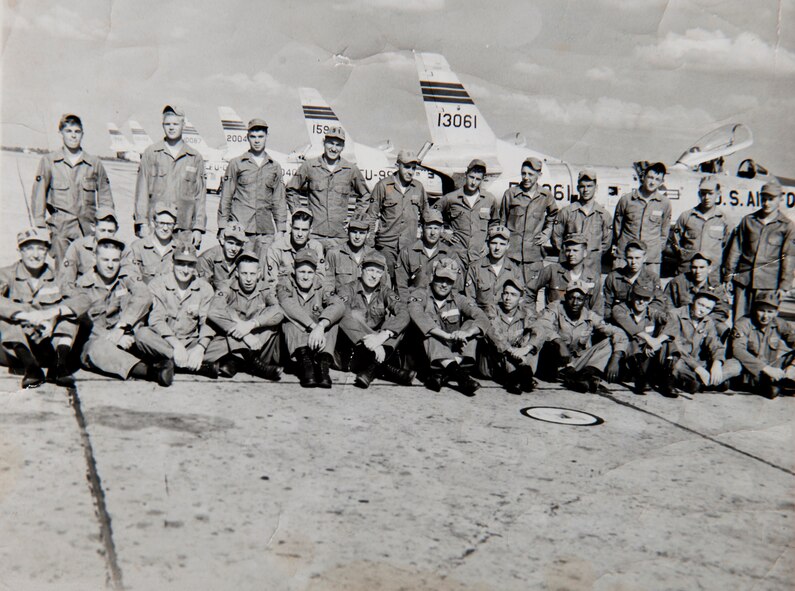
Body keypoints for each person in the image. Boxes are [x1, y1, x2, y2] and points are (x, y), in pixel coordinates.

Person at [68, 237, 171, 385]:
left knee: (145, 334)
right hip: (97, 342)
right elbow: (85, 323)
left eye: (115, 260)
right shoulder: (82, 286)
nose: (110, 266)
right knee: (98, 349)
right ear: (94, 258)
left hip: (126, 335)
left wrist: (122, 327)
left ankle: (188, 364)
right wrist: (113, 337)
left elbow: (144, 296)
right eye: (105, 260)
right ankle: (152, 372)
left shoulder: (125, 278)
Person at [0, 228, 84, 388]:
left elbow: (83, 299)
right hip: (14, 350)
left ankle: (58, 366)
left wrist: (53, 315)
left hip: (46, 346)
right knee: (5, 317)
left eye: (41, 248)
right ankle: (31, 370)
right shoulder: (6, 274)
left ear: (47, 250)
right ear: (20, 251)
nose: (35, 254)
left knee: (70, 313)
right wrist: (26, 315)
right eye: (29, 248)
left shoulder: (57, 276)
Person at [30, 114, 115, 268]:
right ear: (60, 133)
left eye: (77, 131)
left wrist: (107, 226)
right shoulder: (49, 162)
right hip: (61, 229)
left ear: (82, 134)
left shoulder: (94, 164)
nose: (73, 135)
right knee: (63, 271)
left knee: (89, 269)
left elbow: (105, 197)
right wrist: (40, 225)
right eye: (68, 131)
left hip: (87, 229)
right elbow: (38, 195)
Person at [134, 243, 219, 380]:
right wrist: (177, 347)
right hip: (164, 342)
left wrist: (200, 348)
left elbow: (206, 322)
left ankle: (172, 362)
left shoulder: (205, 288)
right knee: (142, 335)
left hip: (192, 342)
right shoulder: (157, 284)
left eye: (190, 265)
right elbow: (156, 320)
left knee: (226, 342)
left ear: (195, 266)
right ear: (173, 263)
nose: (185, 270)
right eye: (180, 263)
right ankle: (194, 366)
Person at [407, 257, 489, 395]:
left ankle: (444, 371)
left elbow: (482, 317)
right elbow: (417, 315)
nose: (444, 284)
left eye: (449, 281)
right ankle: (461, 377)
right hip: (424, 356)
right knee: (430, 334)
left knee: (471, 324)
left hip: (451, 352)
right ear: (433, 276)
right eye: (441, 279)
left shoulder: (459, 299)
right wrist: (445, 335)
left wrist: (467, 333)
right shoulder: (420, 294)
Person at [527, 281, 626, 393]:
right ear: (565, 297)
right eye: (571, 298)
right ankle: (578, 378)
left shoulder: (589, 315)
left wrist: (616, 358)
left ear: (586, 300)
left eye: (580, 299)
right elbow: (541, 324)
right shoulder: (555, 307)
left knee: (609, 342)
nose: (575, 303)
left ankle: (585, 375)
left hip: (576, 362)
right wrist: (559, 342)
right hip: (555, 361)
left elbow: (619, 333)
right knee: (547, 343)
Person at [336, 251, 413, 388]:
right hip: (354, 348)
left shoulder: (385, 291)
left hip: (378, 345)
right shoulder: (348, 289)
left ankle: (370, 369)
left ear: (383, 274)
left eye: (378, 272)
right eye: (370, 270)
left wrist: (382, 336)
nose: (373, 275)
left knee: (397, 325)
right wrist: (372, 341)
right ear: (361, 270)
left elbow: (404, 312)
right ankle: (385, 369)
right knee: (353, 315)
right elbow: (342, 315)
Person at [133, 105, 206, 249]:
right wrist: (142, 222)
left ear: (183, 125)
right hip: (156, 227)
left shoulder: (194, 157)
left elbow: (200, 196)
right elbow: (141, 191)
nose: (171, 128)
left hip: (184, 230)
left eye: (175, 124)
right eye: (167, 124)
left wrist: (198, 228)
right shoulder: (151, 153)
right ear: (163, 126)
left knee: (183, 269)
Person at [206, 249, 284, 381]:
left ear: (259, 274)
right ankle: (254, 364)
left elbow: (278, 311)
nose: (248, 279)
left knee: (270, 319)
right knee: (226, 312)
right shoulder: (227, 285)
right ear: (237, 273)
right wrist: (245, 334)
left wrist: (251, 325)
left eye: (252, 274)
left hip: (257, 340)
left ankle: (236, 362)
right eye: (244, 273)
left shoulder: (264, 287)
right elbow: (213, 311)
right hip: (232, 337)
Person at [286, 126, 369, 247]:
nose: (334, 148)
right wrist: (299, 214)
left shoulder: (351, 169)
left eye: (338, 145)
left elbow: (366, 195)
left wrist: (355, 218)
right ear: (324, 142)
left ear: (343, 147)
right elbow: (291, 189)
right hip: (314, 235)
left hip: (339, 237)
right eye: (330, 143)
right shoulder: (309, 166)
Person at [723, 182, 795, 321]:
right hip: (744, 281)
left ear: (780, 199)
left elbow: (789, 257)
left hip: (769, 285)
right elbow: (735, 250)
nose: (767, 203)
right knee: (739, 322)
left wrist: (784, 285)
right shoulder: (748, 221)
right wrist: (728, 276)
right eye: (764, 198)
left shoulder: (787, 226)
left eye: (771, 199)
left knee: (763, 324)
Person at [217, 118, 288, 254]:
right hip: (240, 229)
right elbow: (226, 197)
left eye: (260, 136)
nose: (257, 141)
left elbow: (279, 200)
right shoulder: (236, 164)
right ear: (248, 138)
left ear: (267, 136)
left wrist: (281, 229)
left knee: (262, 271)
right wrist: (222, 226)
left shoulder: (275, 167)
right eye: (253, 137)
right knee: (239, 270)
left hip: (265, 231)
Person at [276, 249, 345, 389]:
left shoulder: (322, 285)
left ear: (315, 273)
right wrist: (314, 327)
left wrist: (321, 326)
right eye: (302, 272)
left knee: (332, 321)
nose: (306, 277)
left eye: (309, 272)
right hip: (297, 345)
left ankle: (323, 363)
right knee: (289, 321)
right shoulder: (285, 283)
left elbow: (338, 305)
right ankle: (305, 365)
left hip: (319, 342)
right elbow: (286, 304)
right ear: (294, 271)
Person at [491, 157, 557, 284]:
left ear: (539, 175)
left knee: (530, 295)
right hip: (511, 256)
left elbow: (554, 216)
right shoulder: (510, 194)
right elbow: (502, 222)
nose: (526, 177)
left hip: (534, 257)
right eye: (523, 173)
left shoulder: (545, 196)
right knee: (507, 291)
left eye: (531, 174)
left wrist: (546, 233)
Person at [663, 292, 740, 395]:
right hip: (681, 359)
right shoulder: (675, 314)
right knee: (676, 366)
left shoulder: (708, 321)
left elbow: (715, 345)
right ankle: (709, 383)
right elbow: (676, 346)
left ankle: (700, 383)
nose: (703, 310)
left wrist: (716, 364)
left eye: (708, 308)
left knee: (735, 365)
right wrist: (698, 368)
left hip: (700, 362)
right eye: (700, 304)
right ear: (693, 301)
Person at [365, 149, 428, 272]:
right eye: (406, 167)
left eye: (413, 168)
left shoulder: (418, 188)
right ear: (397, 165)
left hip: (409, 246)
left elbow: (427, 215)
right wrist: (369, 243)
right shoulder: (383, 186)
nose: (410, 172)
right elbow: (371, 216)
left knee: (404, 285)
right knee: (386, 283)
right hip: (387, 245)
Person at [730, 292, 795, 399]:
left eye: (770, 312)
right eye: (761, 311)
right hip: (750, 369)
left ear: (776, 313)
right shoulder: (744, 323)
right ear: (754, 309)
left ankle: (781, 381)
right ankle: (768, 385)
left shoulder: (780, 323)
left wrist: (793, 366)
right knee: (731, 368)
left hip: (772, 367)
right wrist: (766, 368)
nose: (765, 316)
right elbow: (737, 350)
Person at [611, 284, 673, 395]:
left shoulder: (652, 312)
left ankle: (666, 380)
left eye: (646, 299)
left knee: (669, 342)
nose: (641, 302)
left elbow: (673, 323)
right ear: (632, 296)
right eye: (638, 297)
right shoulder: (619, 309)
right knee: (631, 339)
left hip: (646, 357)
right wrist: (649, 339)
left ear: (651, 299)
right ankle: (640, 380)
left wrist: (656, 341)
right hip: (625, 361)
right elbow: (630, 327)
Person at [435, 159, 496, 271]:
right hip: (456, 255)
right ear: (466, 175)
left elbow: (495, 223)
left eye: (478, 179)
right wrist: (443, 234)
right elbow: (430, 214)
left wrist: (488, 243)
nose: (473, 182)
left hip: (479, 256)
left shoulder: (489, 199)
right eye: (471, 177)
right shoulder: (451, 198)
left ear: (483, 179)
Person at [612, 162, 671, 275]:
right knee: (621, 287)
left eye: (657, 179)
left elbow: (664, 232)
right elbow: (617, 228)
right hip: (626, 256)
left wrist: (656, 249)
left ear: (662, 182)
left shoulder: (665, 203)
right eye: (650, 177)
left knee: (648, 290)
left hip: (650, 259)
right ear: (643, 177)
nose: (653, 182)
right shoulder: (627, 200)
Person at [480, 278, 537, 394]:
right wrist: (512, 351)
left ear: (521, 299)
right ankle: (521, 376)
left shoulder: (527, 313)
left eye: (513, 295)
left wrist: (525, 349)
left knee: (533, 342)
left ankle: (518, 377)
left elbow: (539, 330)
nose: (508, 298)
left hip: (518, 359)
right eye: (506, 293)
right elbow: (494, 334)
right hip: (493, 364)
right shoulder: (492, 309)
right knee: (499, 346)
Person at [526, 233, 603, 316]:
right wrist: (531, 316)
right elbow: (528, 291)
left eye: (575, 251)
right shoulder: (552, 270)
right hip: (553, 323)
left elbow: (597, 310)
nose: (571, 254)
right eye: (568, 250)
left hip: (579, 326)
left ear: (584, 253)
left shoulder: (593, 277)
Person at [394, 208, 463, 301]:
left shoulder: (449, 254)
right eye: (429, 228)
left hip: (438, 304)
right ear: (422, 227)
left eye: (436, 228)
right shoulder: (408, 251)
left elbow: (455, 286)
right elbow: (401, 285)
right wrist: (406, 305)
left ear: (442, 229)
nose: (433, 233)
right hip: (413, 302)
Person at [551, 169, 611, 274]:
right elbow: (556, 238)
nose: (586, 190)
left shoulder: (603, 215)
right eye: (582, 186)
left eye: (589, 186)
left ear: (596, 188)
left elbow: (606, 243)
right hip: (568, 267)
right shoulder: (566, 212)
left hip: (592, 267)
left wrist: (592, 255)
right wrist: (570, 254)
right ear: (578, 188)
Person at [58, 207, 131, 289]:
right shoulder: (78, 247)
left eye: (110, 231)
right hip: (85, 295)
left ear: (116, 230)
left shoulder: (124, 249)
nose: (106, 235)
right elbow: (66, 282)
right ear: (93, 227)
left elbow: (132, 280)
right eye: (102, 230)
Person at [668, 176, 729, 276]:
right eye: (703, 193)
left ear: (718, 194)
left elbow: (727, 247)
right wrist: (684, 258)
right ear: (699, 194)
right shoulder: (686, 217)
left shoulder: (724, 220)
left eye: (710, 193)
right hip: (687, 271)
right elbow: (675, 243)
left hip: (712, 274)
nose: (707, 197)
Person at [465, 225, 524, 319]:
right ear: (488, 244)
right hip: (480, 318)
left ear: (508, 246)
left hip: (504, 320)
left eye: (502, 244)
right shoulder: (475, 268)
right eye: (494, 243)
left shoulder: (515, 270)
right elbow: (470, 301)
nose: (497, 248)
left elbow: (520, 301)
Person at [664, 252, 731, 335]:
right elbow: (667, 305)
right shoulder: (678, 282)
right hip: (681, 321)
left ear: (709, 269)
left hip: (705, 323)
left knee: (722, 328)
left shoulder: (716, 287)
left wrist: (703, 323)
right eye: (694, 267)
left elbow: (721, 312)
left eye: (702, 267)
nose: (698, 271)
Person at [264, 207, 326, 296]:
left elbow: (320, 278)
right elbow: (271, 282)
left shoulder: (316, 247)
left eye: (304, 230)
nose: (300, 234)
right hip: (284, 295)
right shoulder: (276, 248)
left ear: (311, 229)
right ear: (290, 227)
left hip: (309, 295)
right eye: (296, 229)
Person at [603, 240, 665, 322]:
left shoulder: (652, 278)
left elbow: (658, 303)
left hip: (644, 320)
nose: (633, 262)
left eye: (637, 258)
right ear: (625, 257)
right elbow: (606, 304)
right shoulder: (614, 277)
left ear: (645, 258)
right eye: (630, 258)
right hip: (619, 320)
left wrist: (644, 317)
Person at [127, 203, 180, 284]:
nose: (165, 228)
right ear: (153, 223)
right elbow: (130, 279)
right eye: (161, 223)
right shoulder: (137, 247)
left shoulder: (181, 248)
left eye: (169, 224)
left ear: (175, 226)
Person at [324, 216, 379, 290]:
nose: (357, 237)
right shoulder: (334, 254)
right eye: (354, 232)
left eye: (362, 233)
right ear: (347, 231)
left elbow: (385, 289)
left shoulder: (375, 256)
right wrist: (334, 300)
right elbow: (327, 285)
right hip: (342, 300)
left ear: (368, 234)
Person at [198, 222, 247, 289]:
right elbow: (203, 289)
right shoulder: (206, 259)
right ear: (222, 240)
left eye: (238, 244)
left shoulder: (244, 257)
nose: (233, 249)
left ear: (242, 245)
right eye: (230, 243)